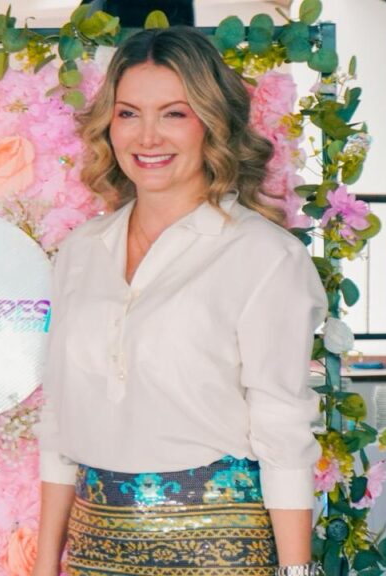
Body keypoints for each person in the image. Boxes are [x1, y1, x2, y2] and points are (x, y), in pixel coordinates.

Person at [34, 27, 325, 576]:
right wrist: (45, 564)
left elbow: (283, 430)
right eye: (128, 114)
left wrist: (296, 573)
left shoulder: (265, 256)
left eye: (174, 113)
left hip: (219, 553)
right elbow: (60, 422)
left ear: (211, 123)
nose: (147, 136)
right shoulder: (80, 251)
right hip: (94, 553)